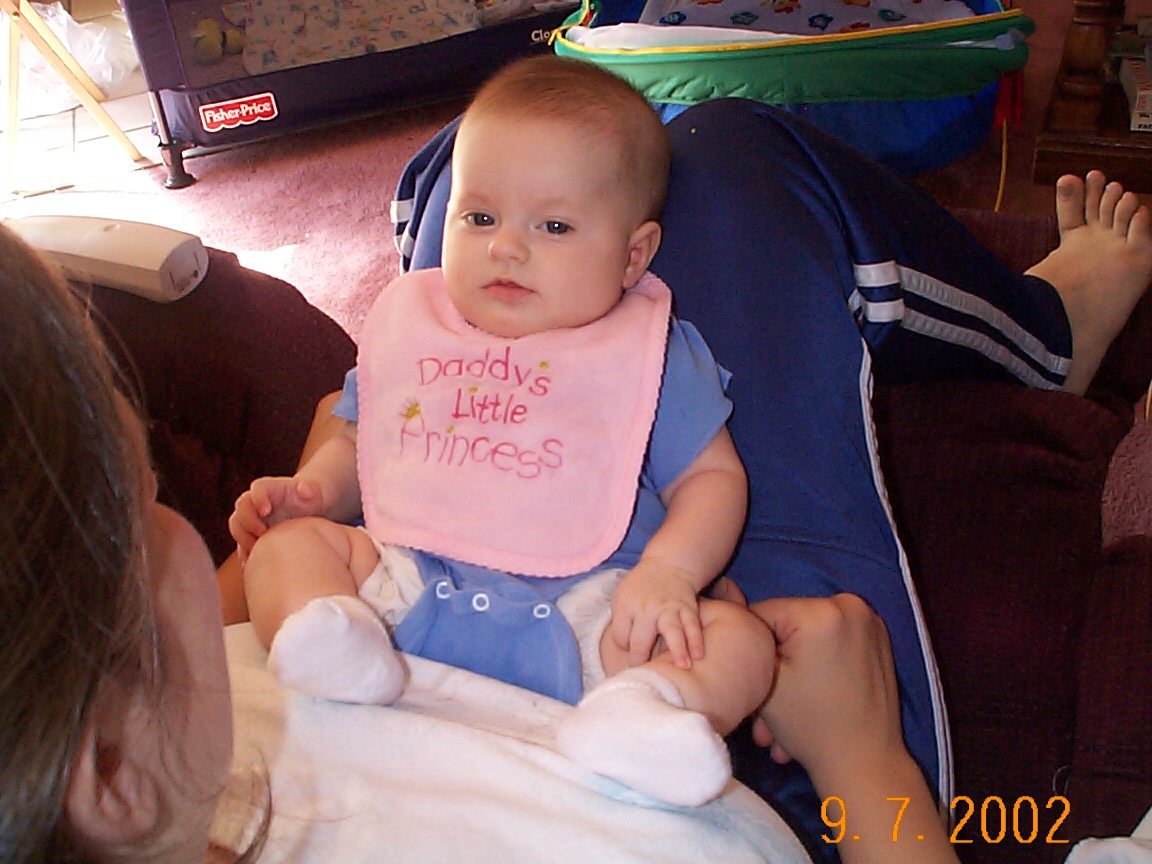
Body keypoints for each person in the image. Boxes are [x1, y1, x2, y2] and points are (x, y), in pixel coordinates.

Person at [377, 88, 1152, 850]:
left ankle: (504, 221)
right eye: (489, 224)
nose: (507, 244)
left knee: (479, 156)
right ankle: (1048, 340)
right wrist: (865, 763)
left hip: (411, 656)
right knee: (723, 154)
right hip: (751, 761)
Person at [229, 55, 775, 809]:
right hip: (400, 596)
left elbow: (711, 479)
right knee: (288, 552)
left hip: (594, 617)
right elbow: (360, 443)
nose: (506, 247)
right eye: (479, 217)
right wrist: (313, 492)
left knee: (741, 643)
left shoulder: (654, 357)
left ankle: (642, 712)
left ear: (633, 255)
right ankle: (330, 644)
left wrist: (670, 573)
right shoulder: (417, 333)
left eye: (554, 226)